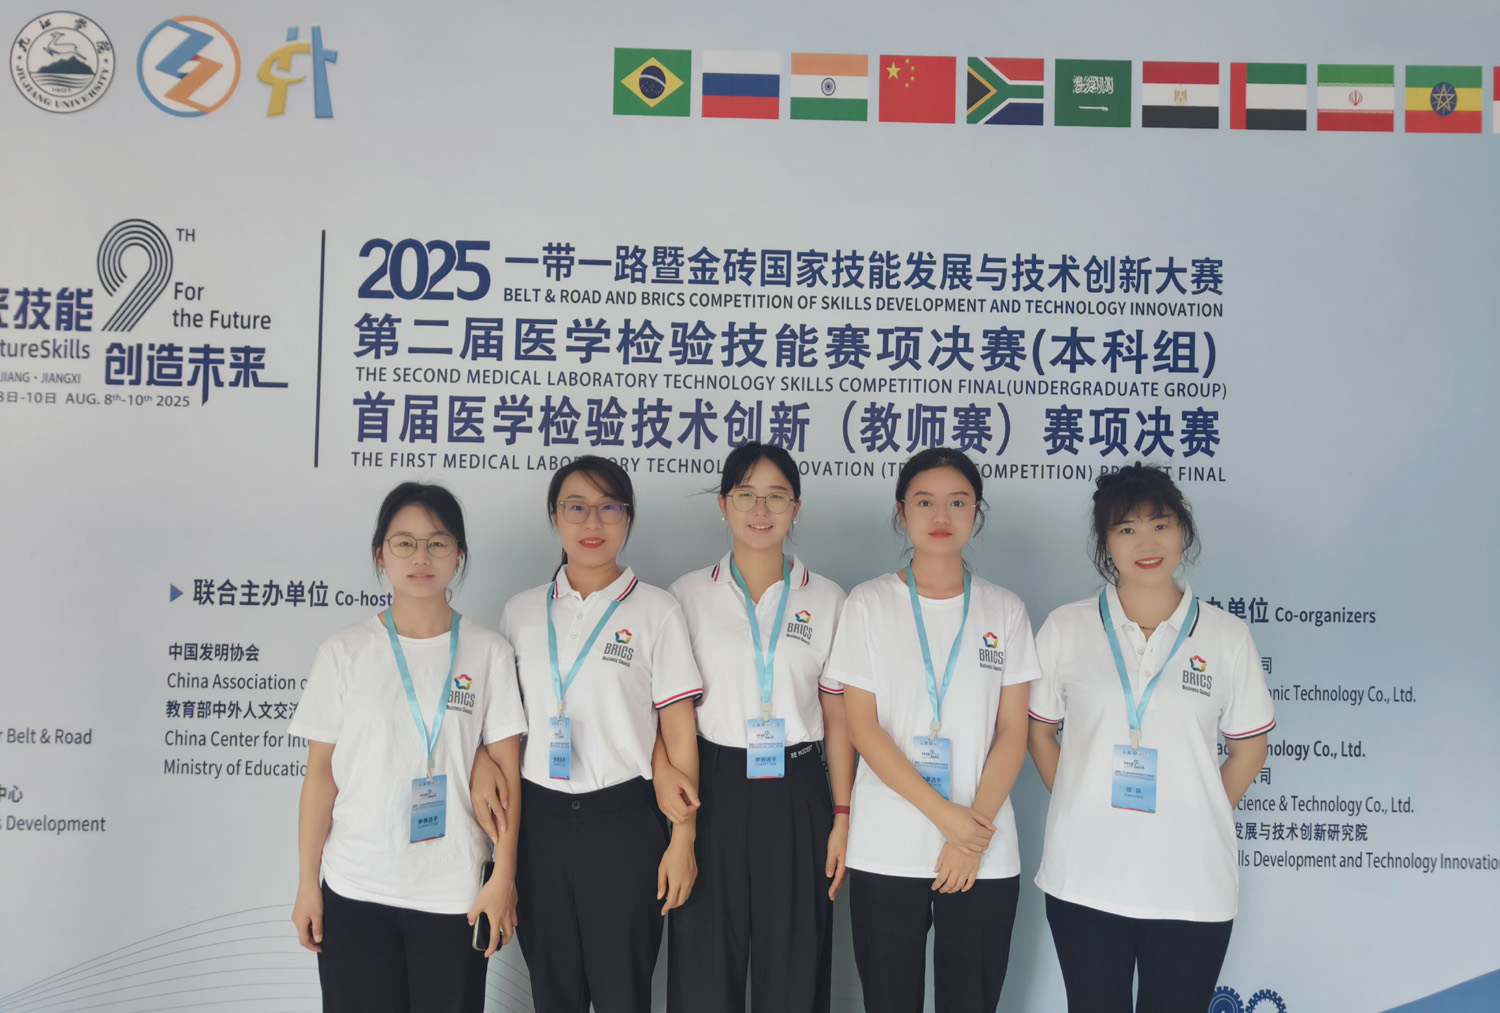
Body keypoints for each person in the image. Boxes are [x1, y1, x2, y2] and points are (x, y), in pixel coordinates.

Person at [1027, 463, 1275, 1013]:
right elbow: (1039, 731)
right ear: (1105, 542)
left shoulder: (1226, 636)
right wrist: (1078, 798)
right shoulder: (1066, 628)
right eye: (1127, 528)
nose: (1147, 543)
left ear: (1183, 530)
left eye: (1161, 524)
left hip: (1190, 882)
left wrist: (1197, 813)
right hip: (1085, 876)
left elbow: (1248, 748)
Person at [289, 482, 525, 1013]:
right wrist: (307, 884)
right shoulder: (343, 652)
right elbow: (320, 775)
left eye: (438, 543)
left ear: (459, 554)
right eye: (404, 543)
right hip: (355, 887)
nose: (421, 557)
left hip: (454, 893)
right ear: (381, 554)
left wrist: (503, 878)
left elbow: (508, 776)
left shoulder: (488, 652)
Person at [827, 447, 1038, 1013]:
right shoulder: (868, 604)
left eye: (958, 502)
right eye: (924, 502)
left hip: (984, 847)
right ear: (902, 512)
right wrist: (946, 818)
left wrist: (971, 834)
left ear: (977, 512)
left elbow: (1013, 732)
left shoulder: (1004, 610)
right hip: (888, 845)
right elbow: (862, 727)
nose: (941, 515)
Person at [652, 442, 855, 1013]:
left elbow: (838, 718)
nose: (760, 510)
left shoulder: (828, 598)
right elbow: (664, 711)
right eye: (745, 495)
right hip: (710, 786)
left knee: (794, 963)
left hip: (798, 788)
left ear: (796, 508)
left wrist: (842, 815)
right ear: (723, 505)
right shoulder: (686, 596)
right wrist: (666, 779)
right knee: (703, 963)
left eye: (776, 497)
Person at [495, 455, 702, 1013]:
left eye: (609, 508)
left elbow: (678, 729)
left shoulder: (657, 610)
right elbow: (503, 732)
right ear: (554, 517)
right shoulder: (520, 613)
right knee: (553, 994)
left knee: (623, 994)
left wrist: (682, 839)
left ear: (627, 518)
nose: (592, 523)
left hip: (624, 824)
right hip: (539, 822)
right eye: (576, 508)